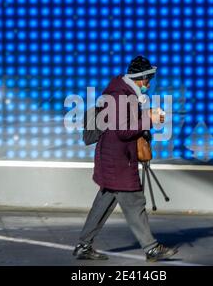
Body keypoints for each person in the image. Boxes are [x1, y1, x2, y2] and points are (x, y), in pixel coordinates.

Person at [73, 55, 178, 262]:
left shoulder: (122, 91)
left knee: (103, 203)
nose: (149, 84)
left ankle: (83, 245)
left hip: (113, 158)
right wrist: (149, 119)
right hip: (118, 160)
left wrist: (147, 113)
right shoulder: (122, 96)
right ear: (141, 78)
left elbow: (124, 122)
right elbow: (123, 130)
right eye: (148, 79)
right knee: (135, 201)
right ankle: (151, 248)